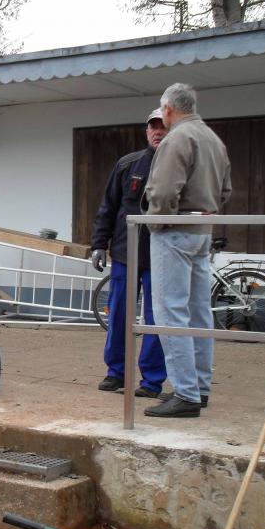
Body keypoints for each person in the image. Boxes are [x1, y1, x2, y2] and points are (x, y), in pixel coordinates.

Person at [143, 83, 232, 418]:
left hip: (175, 230)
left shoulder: (177, 138)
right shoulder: (213, 139)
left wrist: (156, 223)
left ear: (168, 109)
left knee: (171, 311)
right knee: (198, 312)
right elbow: (225, 190)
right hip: (202, 230)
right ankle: (199, 388)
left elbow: (164, 192)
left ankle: (186, 392)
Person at [91, 109, 168, 398]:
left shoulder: (178, 167)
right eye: (153, 127)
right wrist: (99, 244)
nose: (158, 132)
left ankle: (151, 381)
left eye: (163, 127)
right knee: (119, 315)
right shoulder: (128, 164)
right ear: (146, 131)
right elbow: (108, 206)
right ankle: (116, 372)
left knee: (155, 319)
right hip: (126, 254)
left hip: (160, 258)